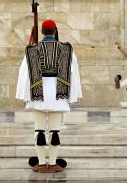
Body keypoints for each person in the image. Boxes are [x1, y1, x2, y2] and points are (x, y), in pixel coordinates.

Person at [16, 19, 82, 173]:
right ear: (55, 31)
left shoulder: (32, 49)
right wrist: (72, 95)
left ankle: (40, 163)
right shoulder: (66, 49)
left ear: (42, 32)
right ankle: (52, 164)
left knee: (38, 130)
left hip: (38, 93)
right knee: (54, 131)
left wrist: (25, 95)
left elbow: (25, 74)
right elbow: (73, 72)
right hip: (58, 95)